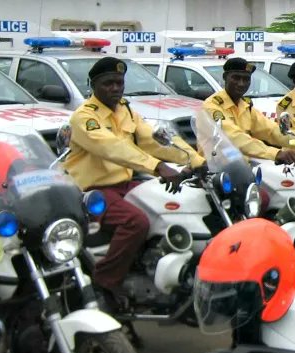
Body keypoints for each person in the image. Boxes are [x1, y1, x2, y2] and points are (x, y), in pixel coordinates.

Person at [65, 57, 204, 308]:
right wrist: (157, 166)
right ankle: (105, 281)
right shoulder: (85, 117)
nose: (116, 88)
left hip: (126, 184)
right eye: (108, 83)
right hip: (93, 191)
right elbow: (113, 148)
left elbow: (155, 140)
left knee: (169, 204)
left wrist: (194, 159)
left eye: (119, 83)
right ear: (93, 85)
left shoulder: (126, 111)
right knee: (135, 222)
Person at [204, 57, 295, 164]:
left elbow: (271, 131)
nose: (241, 83)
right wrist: (275, 153)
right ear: (225, 77)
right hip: (216, 169)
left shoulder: (245, 106)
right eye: (236, 78)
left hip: (243, 168)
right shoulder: (212, 105)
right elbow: (234, 137)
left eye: (246, 79)